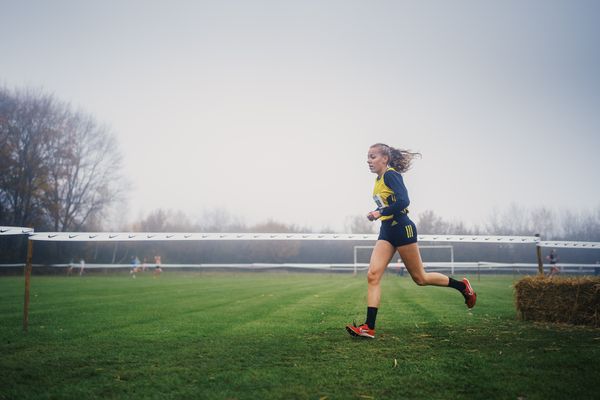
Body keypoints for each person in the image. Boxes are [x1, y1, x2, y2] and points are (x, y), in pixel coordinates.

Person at [346, 143, 477, 339]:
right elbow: (389, 202)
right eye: (368, 157)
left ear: (385, 159)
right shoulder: (378, 179)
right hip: (386, 231)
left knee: (420, 278)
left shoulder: (391, 175)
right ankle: (369, 327)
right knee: (373, 275)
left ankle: (462, 287)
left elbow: (404, 201)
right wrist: (378, 213)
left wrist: (379, 211)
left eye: (372, 157)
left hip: (402, 228)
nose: (368, 160)